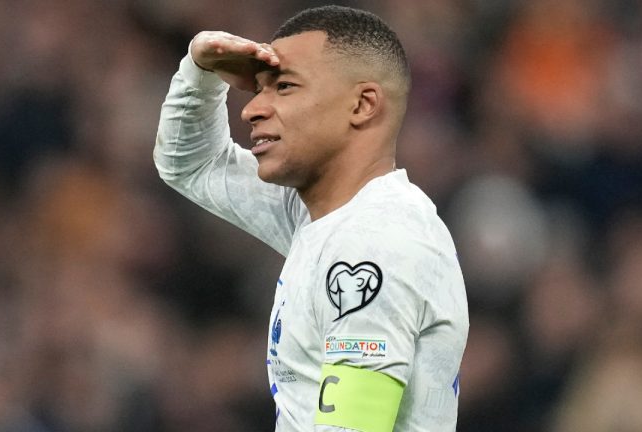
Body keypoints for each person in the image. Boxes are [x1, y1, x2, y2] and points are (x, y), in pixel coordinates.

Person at [154, 5, 468, 431]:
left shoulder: (375, 241)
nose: (252, 109)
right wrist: (201, 72)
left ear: (362, 105)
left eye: (283, 87)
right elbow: (191, 163)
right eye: (258, 89)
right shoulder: (324, 217)